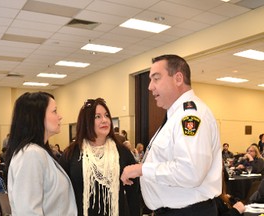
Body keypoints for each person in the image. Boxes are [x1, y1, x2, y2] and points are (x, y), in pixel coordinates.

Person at [120, 54, 222, 216]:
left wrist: (142, 169)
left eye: (156, 78)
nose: (150, 87)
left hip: (188, 212)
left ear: (178, 78)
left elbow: (191, 171)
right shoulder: (175, 115)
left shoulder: (190, 115)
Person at [59, 98, 140, 216]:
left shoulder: (122, 152)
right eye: (97, 117)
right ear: (86, 121)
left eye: (107, 115)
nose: (104, 120)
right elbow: (61, 193)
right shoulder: (72, 153)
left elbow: (133, 193)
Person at [5, 91, 77, 216]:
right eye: (54, 111)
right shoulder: (30, 155)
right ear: (38, 117)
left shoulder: (39, 152)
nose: (60, 116)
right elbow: (28, 211)